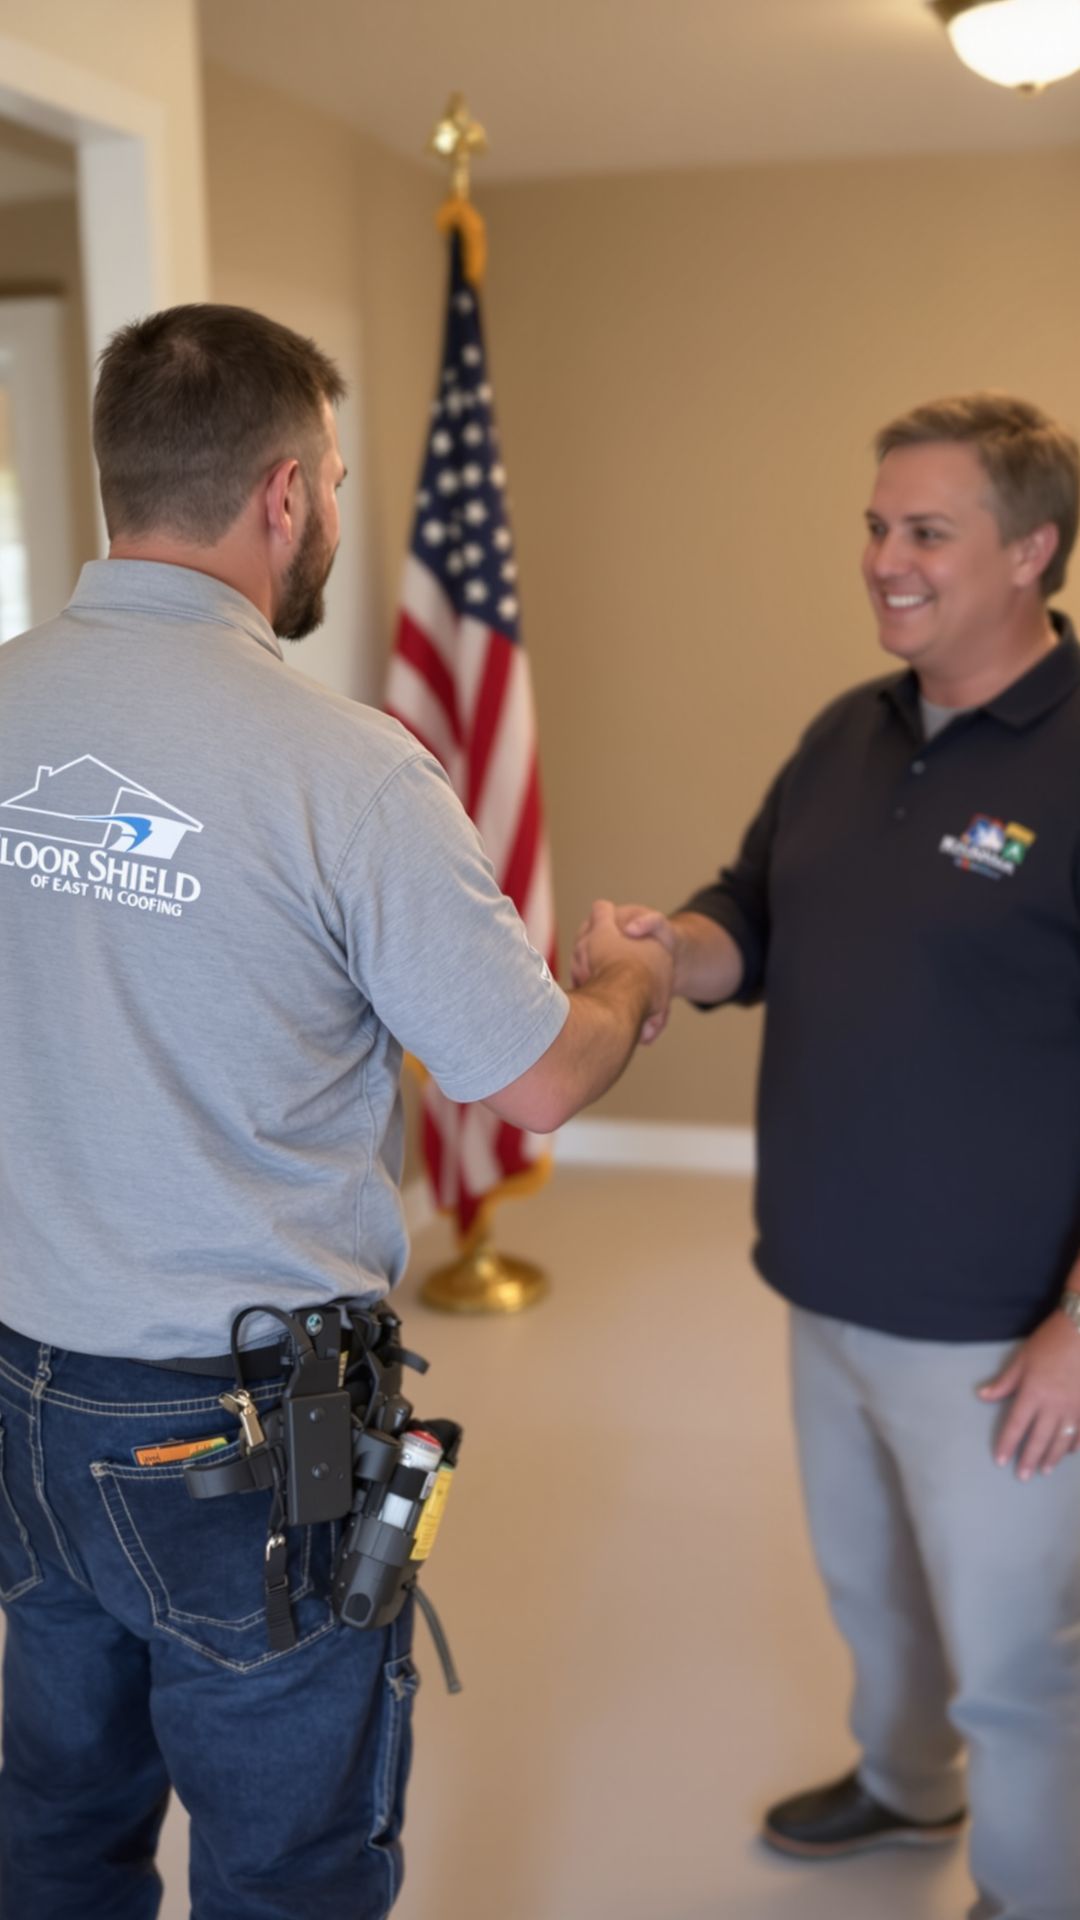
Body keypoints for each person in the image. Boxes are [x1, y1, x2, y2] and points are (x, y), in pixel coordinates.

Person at [0, 303, 671, 1920]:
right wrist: (625, 983)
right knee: (287, 1868)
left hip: (24, 1390)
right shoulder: (346, 768)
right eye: (339, 486)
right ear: (284, 493)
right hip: (238, 1430)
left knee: (55, 1830)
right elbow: (535, 1077)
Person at [575, 394, 1080, 1920]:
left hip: (1002, 1327)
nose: (883, 560)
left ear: (1032, 551)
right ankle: (906, 1787)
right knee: (879, 1597)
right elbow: (754, 914)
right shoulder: (848, 732)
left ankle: (1037, 1886)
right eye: (874, 527)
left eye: (926, 531)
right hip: (827, 1277)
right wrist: (666, 952)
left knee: (1018, 1657)